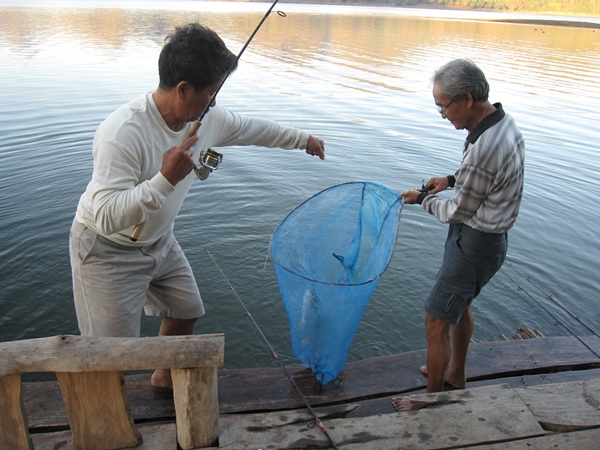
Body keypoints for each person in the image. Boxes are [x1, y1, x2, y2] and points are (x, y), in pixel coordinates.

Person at [69, 23, 325, 392]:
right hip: (106, 249)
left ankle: (162, 378)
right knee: (111, 356)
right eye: (211, 92)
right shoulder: (122, 133)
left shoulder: (205, 119)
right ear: (182, 89)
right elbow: (108, 214)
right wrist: (163, 179)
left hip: (159, 242)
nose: (216, 101)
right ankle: (104, 426)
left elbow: (253, 129)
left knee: (186, 310)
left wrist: (303, 139)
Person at [392, 59, 524, 412]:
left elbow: (456, 211)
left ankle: (431, 400)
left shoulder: (483, 149)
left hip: (475, 243)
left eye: (443, 106)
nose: (442, 114)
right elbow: (486, 176)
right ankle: (455, 374)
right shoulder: (501, 121)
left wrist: (423, 199)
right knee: (460, 306)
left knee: (435, 320)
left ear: (466, 99)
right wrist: (451, 180)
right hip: (489, 242)